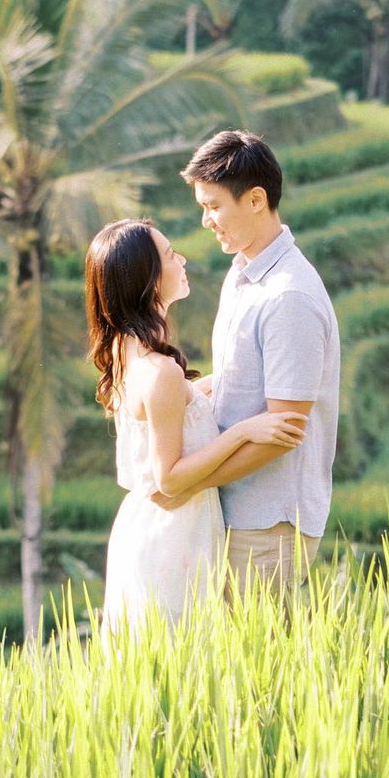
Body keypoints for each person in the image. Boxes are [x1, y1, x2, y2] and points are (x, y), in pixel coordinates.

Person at [85, 218, 307, 632]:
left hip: (151, 528)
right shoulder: (161, 371)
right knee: (182, 654)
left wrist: (219, 385)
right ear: (148, 279)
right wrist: (245, 430)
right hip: (173, 534)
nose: (181, 259)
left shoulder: (124, 348)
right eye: (171, 255)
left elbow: (171, 410)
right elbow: (169, 479)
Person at [175, 130, 341, 598]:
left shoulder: (288, 295)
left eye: (213, 206)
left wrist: (191, 480)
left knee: (259, 668)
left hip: (268, 525)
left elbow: (283, 432)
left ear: (255, 200)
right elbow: (237, 383)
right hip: (237, 512)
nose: (206, 220)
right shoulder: (245, 273)